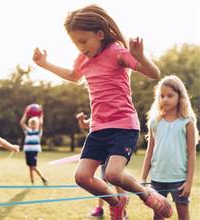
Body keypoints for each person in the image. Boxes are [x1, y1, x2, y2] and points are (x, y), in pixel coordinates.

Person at [33, 4, 173, 219]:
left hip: (123, 126)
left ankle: (148, 195)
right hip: (98, 129)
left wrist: (140, 56)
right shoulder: (83, 59)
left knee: (113, 174)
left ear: (100, 34)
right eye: (75, 43)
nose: (80, 47)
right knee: (81, 177)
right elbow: (72, 75)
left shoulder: (117, 52)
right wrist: (44, 64)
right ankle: (117, 202)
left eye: (83, 41)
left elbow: (154, 74)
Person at [141, 75, 198, 220]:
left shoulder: (187, 122)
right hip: (157, 179)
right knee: (158, 216)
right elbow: (149, 151)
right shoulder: (154, 122)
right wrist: (143, 178)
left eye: (170, 95)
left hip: (179, 180)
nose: (165, 99)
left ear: (180, 97)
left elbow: (192, 153)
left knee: (183, 215)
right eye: (162, 96)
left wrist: (189, 182)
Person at [76, 112, 129, 218]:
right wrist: (81, 120)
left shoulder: (116, 114)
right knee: (102, 181)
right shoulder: (99, 114)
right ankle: (100, 208)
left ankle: (123, 210)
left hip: (115, 154)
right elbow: (86, 125)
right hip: (103, 154)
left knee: (115, 180)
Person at [20, 110, 48, 185]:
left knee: (33, 166)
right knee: (30, 167)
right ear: (29, 124)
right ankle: (32, 182)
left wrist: (41, 115)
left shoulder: (38, 131)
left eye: (34, 124)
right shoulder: (28, 131)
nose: (33, 125)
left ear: (37, 125)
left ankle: (43, 178)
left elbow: (41, 123)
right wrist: (25, 114)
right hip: (27, 151)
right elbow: (22, 123)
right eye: (31, 124)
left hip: (34, 151)